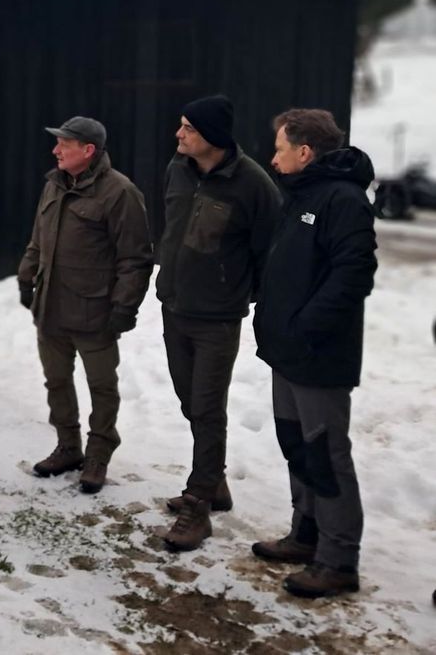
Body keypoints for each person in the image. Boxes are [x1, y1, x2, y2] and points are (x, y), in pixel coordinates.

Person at [252, 108, 377, 599]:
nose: (272, 157)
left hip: (318, 356)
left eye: (280, 148)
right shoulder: (302, 193)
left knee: (326, 454)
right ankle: (306, 534)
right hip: (288, 353)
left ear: (305, 151)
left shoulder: (342, 200)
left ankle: (338, 559)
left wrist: (307, 326)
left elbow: (354, 273)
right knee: (295, 444)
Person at [155, 95, 281, 551]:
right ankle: (216, 483)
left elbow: (269, 254)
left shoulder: (253, 185)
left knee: (207, 408)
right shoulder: (178, 169)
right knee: (190, 401)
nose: (179, 134)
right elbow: (171, 229)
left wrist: (246, 297)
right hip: (174, 307)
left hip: (218, 318)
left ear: (211, 136)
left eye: (187, 128)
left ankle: (198, 506)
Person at [19, 116, 152, 494]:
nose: (56, 150)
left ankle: (98, 454)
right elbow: (37, 240)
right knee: (56, 381)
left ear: (88, 150)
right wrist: (26, 278)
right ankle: (68, 446)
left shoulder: (119, 192)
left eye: (64, 143)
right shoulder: (54, 186)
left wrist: (124, 307)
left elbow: (135, 258)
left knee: (102, 387)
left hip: (94, 312)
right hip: (51, 309)